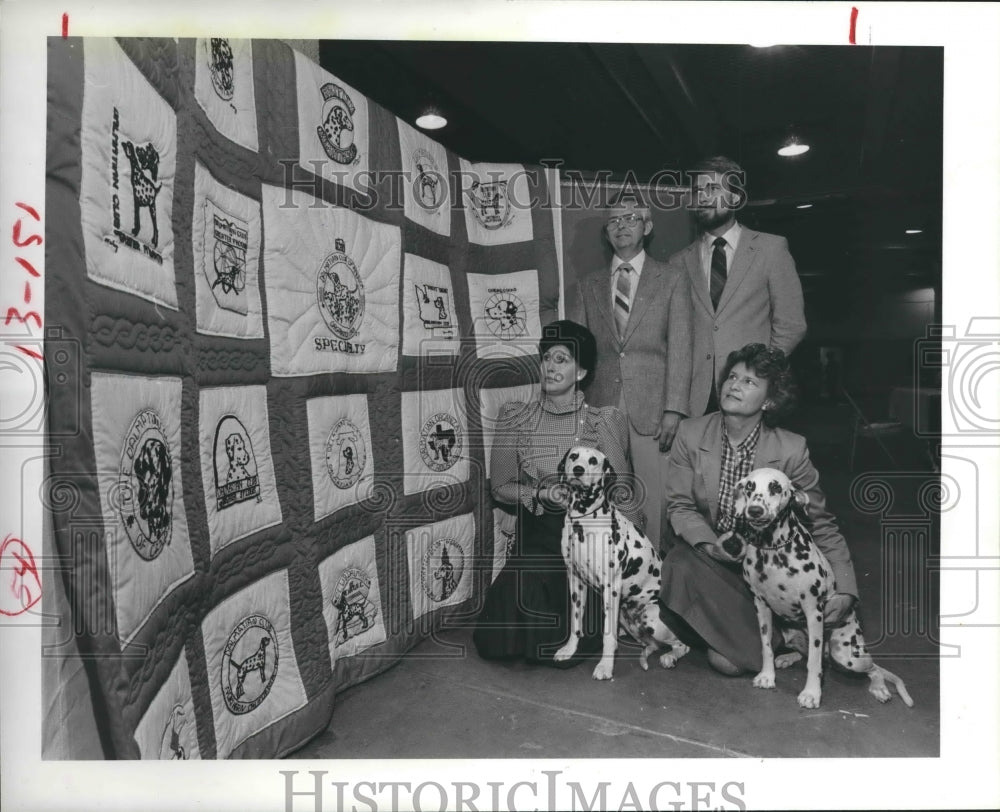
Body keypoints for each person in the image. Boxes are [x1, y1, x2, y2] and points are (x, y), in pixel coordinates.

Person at [659, 343, 859, 675]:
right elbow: (680, 506)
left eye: (749, 382)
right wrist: (712, 547)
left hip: (772, 572)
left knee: (727, 663)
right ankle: (762, 634)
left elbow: (821, 523)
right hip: (713, 561)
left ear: (770, 400)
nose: (734, 385)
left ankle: (763, 633)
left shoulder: (791, 450)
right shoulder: (691, 433)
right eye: (732, 377)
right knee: (679, 562)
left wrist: (846, 588)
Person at [473, 320, 641, 666]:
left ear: (581, 371)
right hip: (540, 533)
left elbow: (623, 495)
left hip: (591, 540)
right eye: (546, 358)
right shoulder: (515, 417)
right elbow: (500, 486)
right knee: (511, 610)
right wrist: (539, 495)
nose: (550, 366)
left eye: (561, 359)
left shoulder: (603, 421)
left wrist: (629, 568)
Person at [567, 195, 692, 551]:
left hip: (654, 408)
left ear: (647, 227)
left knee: (653, 496)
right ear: (606, 233)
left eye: (631, 218)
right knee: (607, 492)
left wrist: (675, 409)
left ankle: (652, 575)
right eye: (614, 221)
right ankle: (613, 568)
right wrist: (578, 407)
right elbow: (579, 351)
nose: (622, 225)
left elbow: (682, 347)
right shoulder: (588, 285)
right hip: (602, 404)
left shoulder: (671, 279)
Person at [668, 156, 807, 416]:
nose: (703, 197)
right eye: (698, 191)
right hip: (697, 401)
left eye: (712, 189)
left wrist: (758, 373)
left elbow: (791, 325)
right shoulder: (678, 262)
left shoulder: (771, 249)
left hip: (753, 395)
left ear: (734, 198)